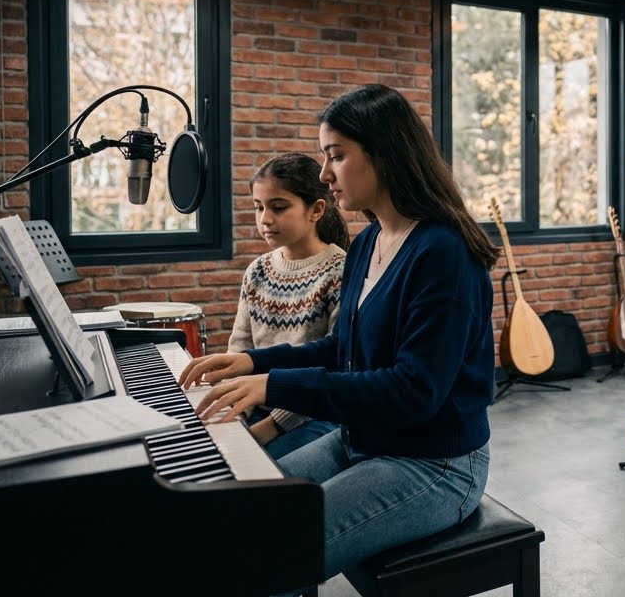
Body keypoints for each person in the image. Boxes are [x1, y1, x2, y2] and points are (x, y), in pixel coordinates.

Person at [179, 83, 498, 583]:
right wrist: (254, 363)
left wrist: (275, 387)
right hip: (362, 440)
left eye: (336, 156)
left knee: (266, 553)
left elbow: (413, 390)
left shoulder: (443, 252)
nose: (325, 175)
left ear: (386, 155)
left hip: (435, 465)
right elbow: (346, 349)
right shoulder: (370, 239)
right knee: (237, 513)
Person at [228, 152, 349, 460]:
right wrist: (234, 418)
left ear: (316, 210)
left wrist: (269, 427)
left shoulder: (340, 271)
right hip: (258, 410)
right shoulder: (257, 270)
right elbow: (240, 350)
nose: (265, 219)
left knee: (255, 480)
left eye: (279, 207)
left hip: (313, 416)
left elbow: (335, 367)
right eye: (258, 207)